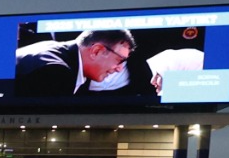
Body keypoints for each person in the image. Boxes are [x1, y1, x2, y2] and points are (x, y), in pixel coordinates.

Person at [13, 27, 157, 102]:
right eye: (119, 60)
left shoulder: (54, 49)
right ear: (96, 51)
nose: (119, 69)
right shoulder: (57, 73)